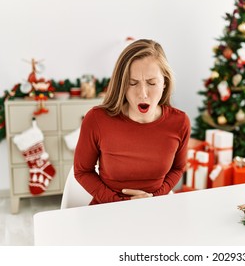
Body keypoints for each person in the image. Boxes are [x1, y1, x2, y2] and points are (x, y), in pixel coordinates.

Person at [74, 39, 191, 205]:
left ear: (164, 82)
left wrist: (154, 198)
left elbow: (178, 168)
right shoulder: (96, 119)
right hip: (107, 209)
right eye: (132, 83)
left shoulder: (180, 122)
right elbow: (82, 171)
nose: (142, 93)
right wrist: (119, 202)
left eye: (151, 83)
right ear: (122, 85)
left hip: (155, 207)